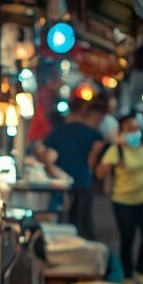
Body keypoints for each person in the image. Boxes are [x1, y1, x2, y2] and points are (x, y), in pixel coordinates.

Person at [96, 114, 143, 284]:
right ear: (121, 131)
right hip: (122, 200)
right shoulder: (115, 151)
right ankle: (128, 274)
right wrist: (111, 159)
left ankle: (141, 268)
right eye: (129, 129)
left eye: (135, 128)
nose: (133, 132)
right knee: (128, 238)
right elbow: (100, 173)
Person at [42, 96, 107, 240]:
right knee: (82, 222)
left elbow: (45, 156)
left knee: (64, 222)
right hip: (83, 182)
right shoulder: (93, 134)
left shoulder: (57, 132)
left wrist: (53, 173)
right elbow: (92, 160)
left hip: (62, 185)